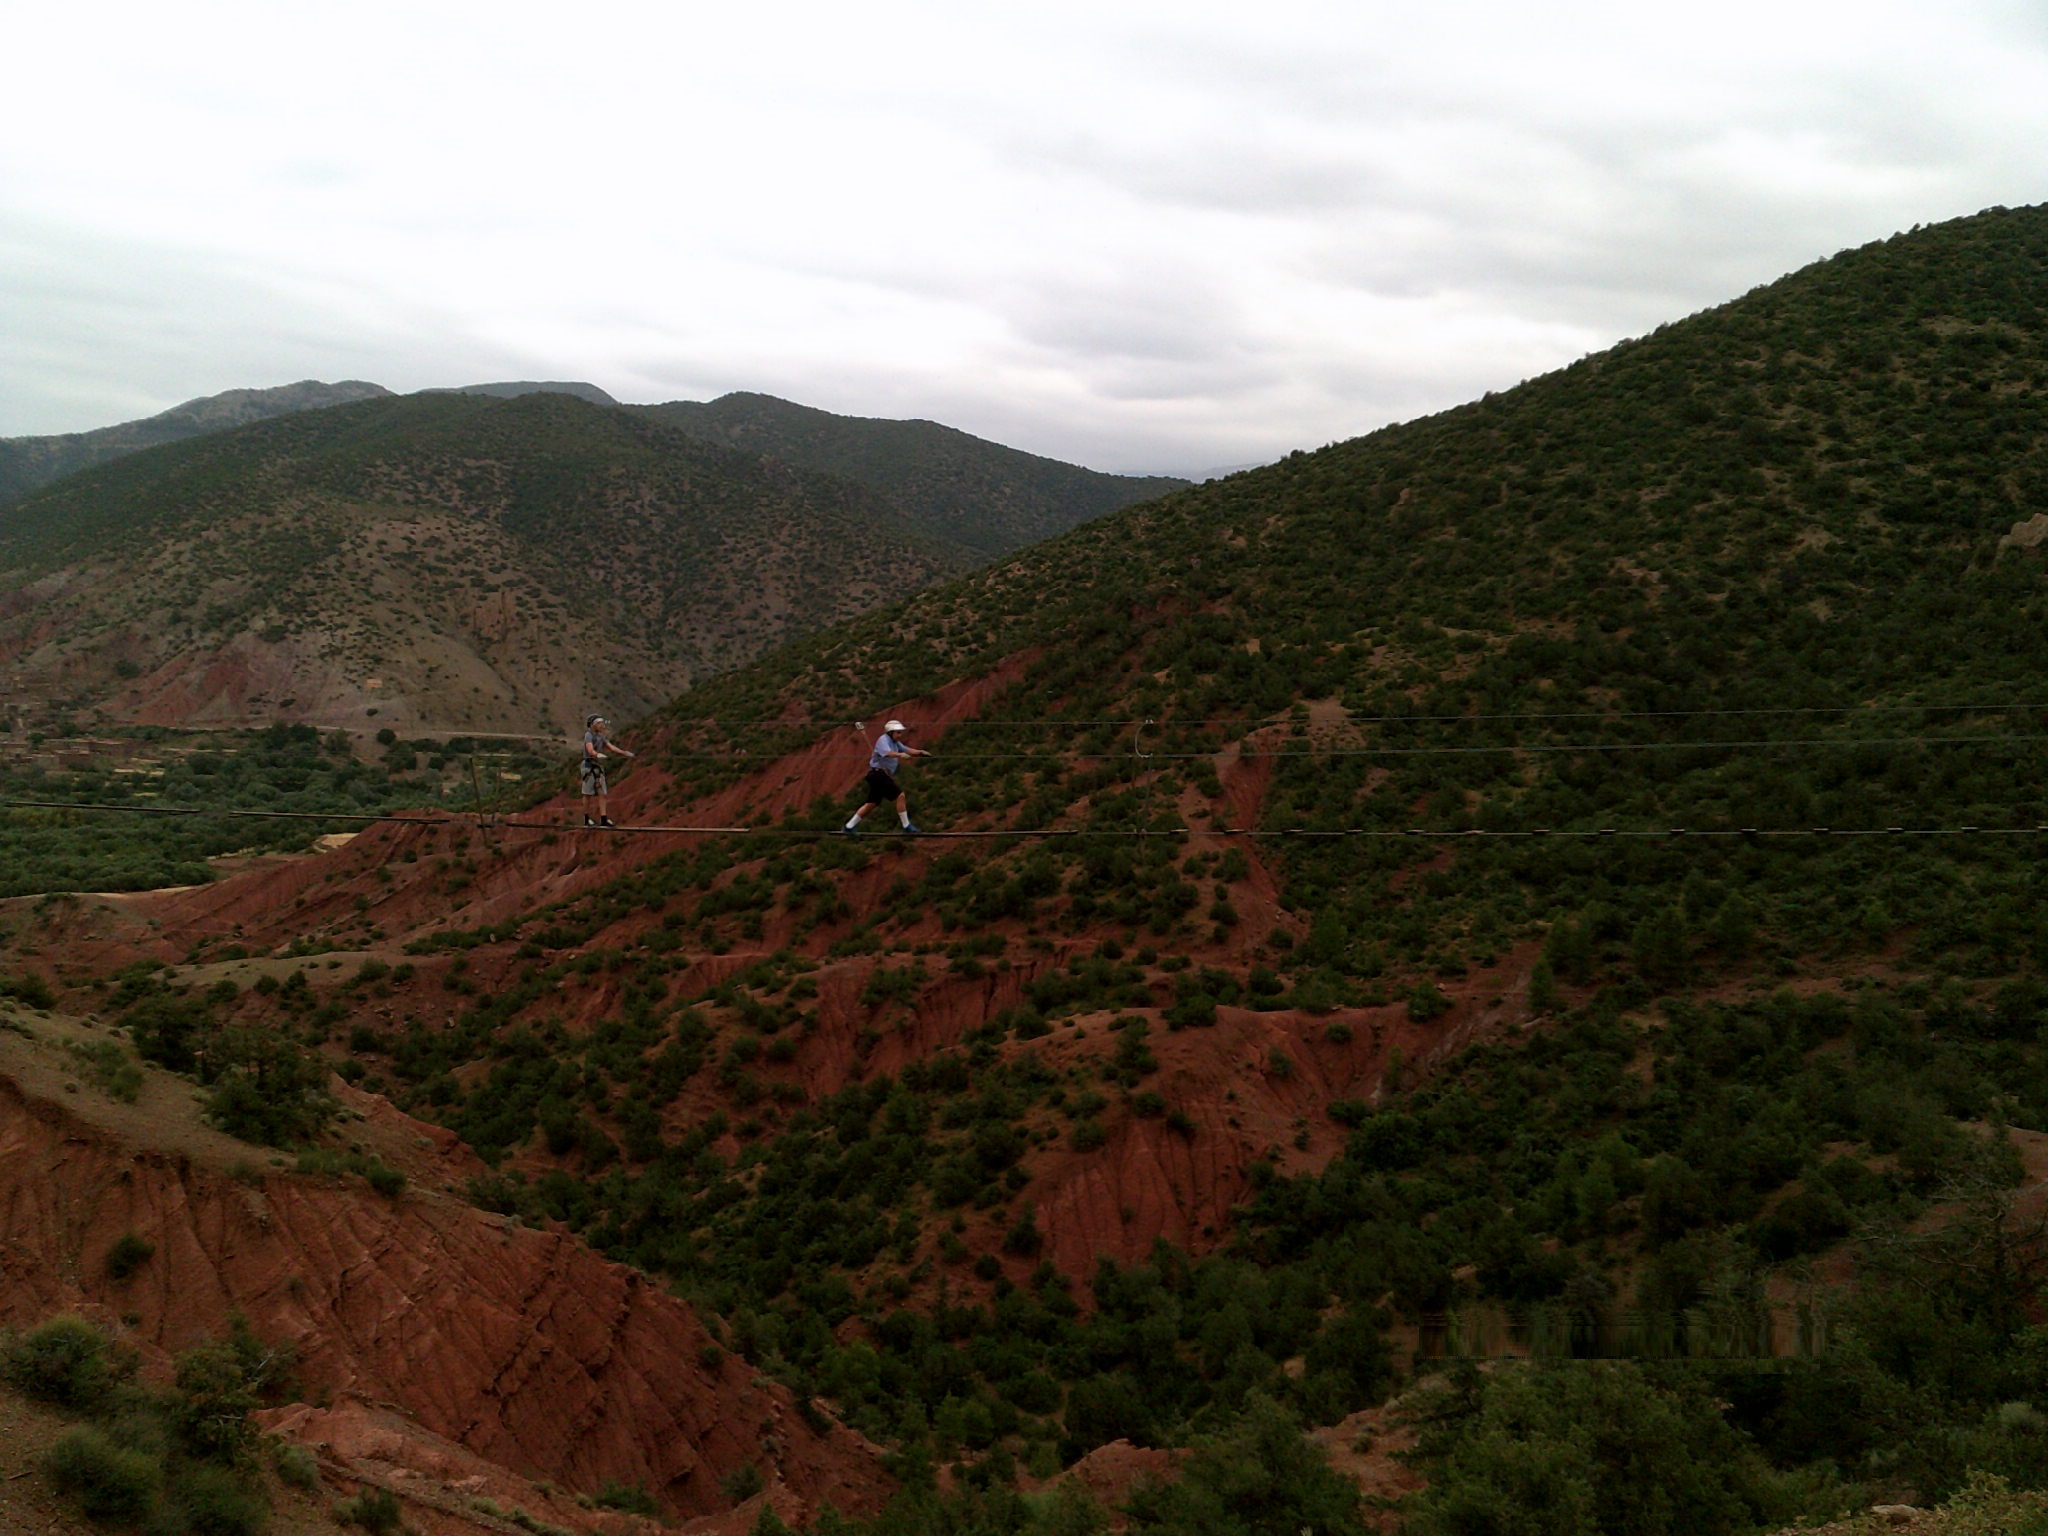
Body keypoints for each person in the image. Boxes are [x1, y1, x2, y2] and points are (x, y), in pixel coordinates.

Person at [844, 719, 931, 836]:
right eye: (898, 732)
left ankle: (849, 826)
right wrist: (900, 755)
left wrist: (920, 752)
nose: (900, 735)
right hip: (878, 774)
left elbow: (907, 750)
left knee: (871, 803)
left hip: (877, 775)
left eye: (901, 732)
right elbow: (887, 753)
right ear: (891, 732)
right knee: (900, 796)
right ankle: (907, 826)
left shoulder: (896, 743)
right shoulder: (883, 740)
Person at [581, 714, 635, 827]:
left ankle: (603, 819)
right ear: (593, 725)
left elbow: (610, 746)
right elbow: (590, 749)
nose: (602, 725)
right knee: (588, 794)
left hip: (598, 767)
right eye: (599, 723)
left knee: (602, 793)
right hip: (589, 766)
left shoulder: (601, 736)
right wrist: (597, 754)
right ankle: (586, 819)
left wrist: (624, 753)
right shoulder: (588, 735)